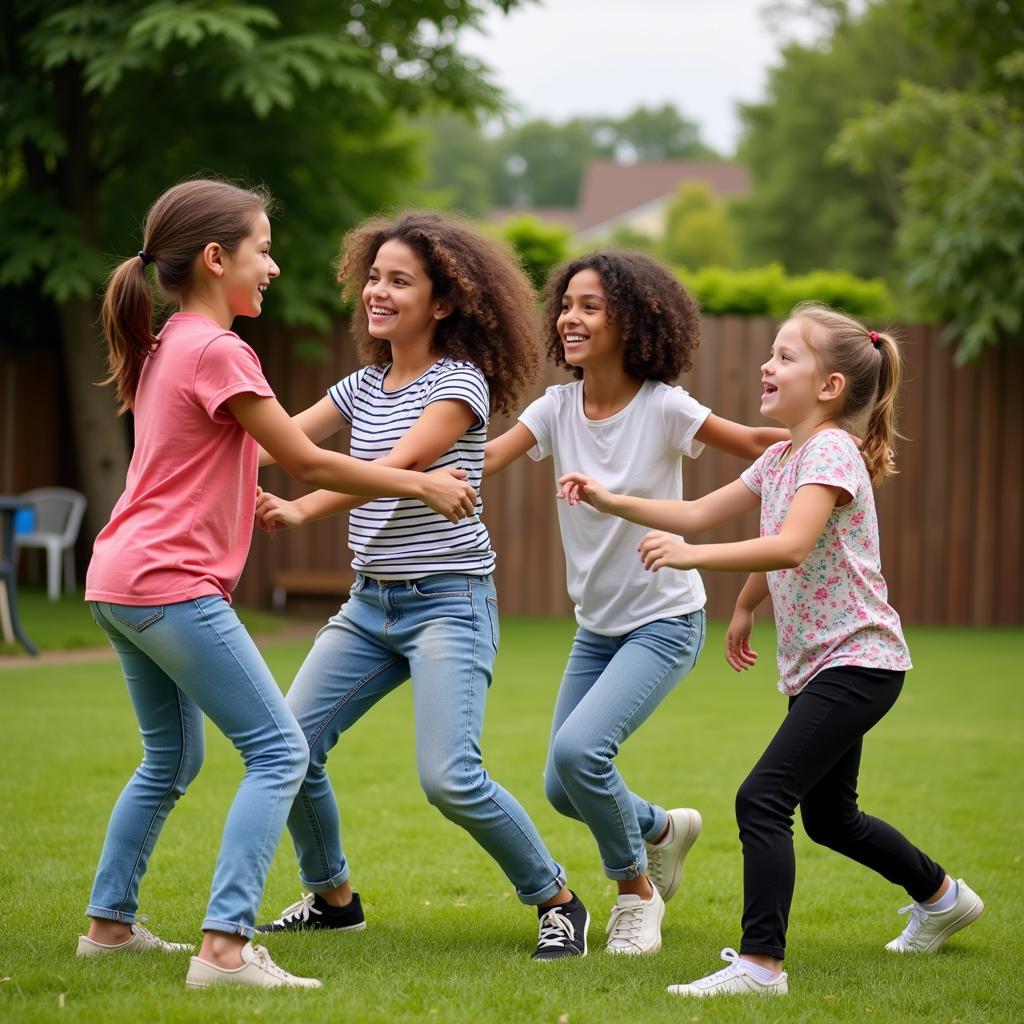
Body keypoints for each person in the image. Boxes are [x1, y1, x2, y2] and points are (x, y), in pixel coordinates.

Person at [80, 181, 476, 991]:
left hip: (117, 577)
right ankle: (226, 947)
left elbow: (257, 453)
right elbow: (305, 458)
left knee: (170, 759)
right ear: (218, 258)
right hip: (169, 582)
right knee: (279, 750)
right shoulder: (219, 350)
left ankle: (109, 926)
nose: (274, 265)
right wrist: (425, 486)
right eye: (262, 249)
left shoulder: (169, 344)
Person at [559, 302, 983, 995]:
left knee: (762, 798)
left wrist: (694, 557)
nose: (768, 363)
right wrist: (612, 502)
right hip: (821, 666)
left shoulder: (831, 451)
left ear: (829, 388)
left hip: (859, 660)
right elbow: (700, 510)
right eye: (772, 352)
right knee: (831, 818)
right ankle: (941, 898)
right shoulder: (784, 456)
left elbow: (792, 542)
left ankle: (761, 966)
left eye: (787, 356)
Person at [252, 211, 590, 960]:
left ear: (442, 303)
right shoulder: (364, 383)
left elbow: (396, 468)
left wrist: (304, 503)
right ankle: (333, 899)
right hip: (370, 603)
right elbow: (284, 439)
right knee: (288, 746)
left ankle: (559, 899)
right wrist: (209, 438)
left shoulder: (458, 383)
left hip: (448, 601)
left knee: (450, 778)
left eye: (399, 280)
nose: (378, 290)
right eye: (374, 276)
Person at [482, 251, 788, 956]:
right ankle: (661, 829)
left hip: (664, 620)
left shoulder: (664, 406)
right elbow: (485, 459)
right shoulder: (555, 408)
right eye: (567, 305)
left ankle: (635, 892)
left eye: (591, 305)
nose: (570, 317)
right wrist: (393, 466)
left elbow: (750, 443)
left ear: (634, 321)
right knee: (564, 785)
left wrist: (828, 443)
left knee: (583, 751)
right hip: (597, 628)